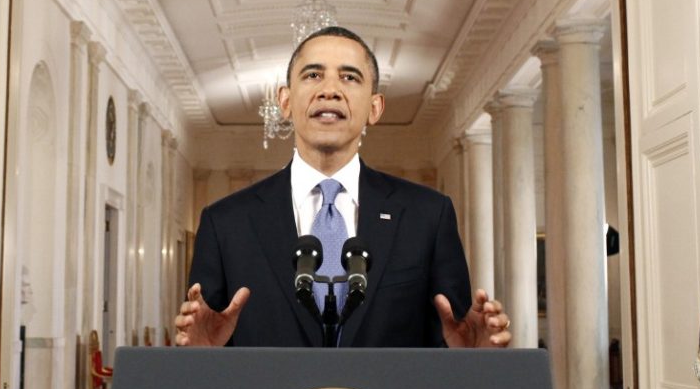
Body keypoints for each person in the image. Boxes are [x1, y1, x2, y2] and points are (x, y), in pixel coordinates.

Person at [174, 26, 510, 348]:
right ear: (285, 101)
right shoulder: (226, 223)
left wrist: (472, 357)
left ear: (374, 108)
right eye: (313, 75)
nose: (329, 90)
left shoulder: (428, 216)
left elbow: (452, 340)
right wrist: (202, 355)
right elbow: (208, 354)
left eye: (349, 77)